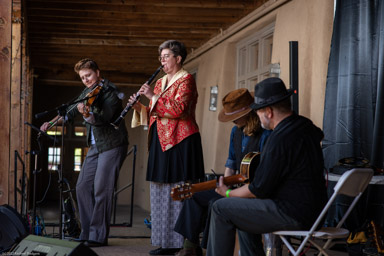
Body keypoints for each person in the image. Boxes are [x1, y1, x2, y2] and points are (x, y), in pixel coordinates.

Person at [206, 77, 328, 256]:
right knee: (241, 208)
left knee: (221, 208)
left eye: (258, 112)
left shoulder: (278, 139)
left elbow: (258, 189)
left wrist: (227, 193)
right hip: (316, 211)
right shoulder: (306, 126)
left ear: (269, 112)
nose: (256, 116)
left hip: (292, 213)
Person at [40, 58, 128, 247]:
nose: (86, 80)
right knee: (82, 187)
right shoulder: (87, 92)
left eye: (88, 75)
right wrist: (52, 123)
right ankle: (87, 232)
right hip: (96, 146)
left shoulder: (111, 92)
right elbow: (70, 112)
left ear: (97, 72)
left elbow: (106, 119)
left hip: (112, 144)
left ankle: (98, 236)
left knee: (102, 190)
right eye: (82, 78)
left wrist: (87, 115)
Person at [129, 40, 205, 255]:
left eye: (166, 56)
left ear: (178, 58)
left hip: (182, 141)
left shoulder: (187, 79)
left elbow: (179, 109)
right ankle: (165, 241)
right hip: (161, 141)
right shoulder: (161, 82)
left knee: (180, 190)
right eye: (160, 57)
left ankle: (182, 243)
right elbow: (156, 111)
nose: (161, 61)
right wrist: (140, 107)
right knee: (160, 190)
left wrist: (152, 97)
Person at [174, 88, 271, 256]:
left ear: (248, 113)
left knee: (216, 204)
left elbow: (266, 167)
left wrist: (227, 194)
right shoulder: (236, 131)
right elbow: (231, 161)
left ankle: (211, 249)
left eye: (235, 117)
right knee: (194, 196)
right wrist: (225, 184)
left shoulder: (265, 133)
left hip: (254, 189)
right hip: (236, 183)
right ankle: (190, 247)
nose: (232, 122)